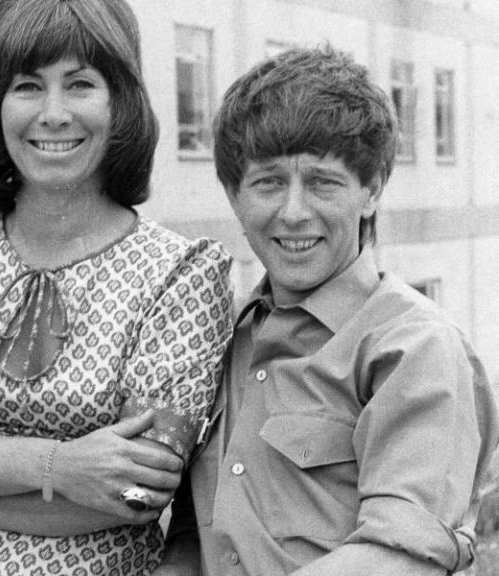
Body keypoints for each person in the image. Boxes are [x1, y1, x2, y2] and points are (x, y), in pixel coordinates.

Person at [0, 0, 234, 574]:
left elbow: (136, 495)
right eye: (28, 86)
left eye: (80, 84)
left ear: (121, 104)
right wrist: (62, 467)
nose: (53, 114)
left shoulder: (181, 275)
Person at [158, 46, 499, 575]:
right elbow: (193, 534)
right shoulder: (224, 339)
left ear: (372, 191)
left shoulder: (414, 347)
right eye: (268, 181)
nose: (293, 213)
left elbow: (400, 557)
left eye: (322, 182)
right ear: (233, 195)